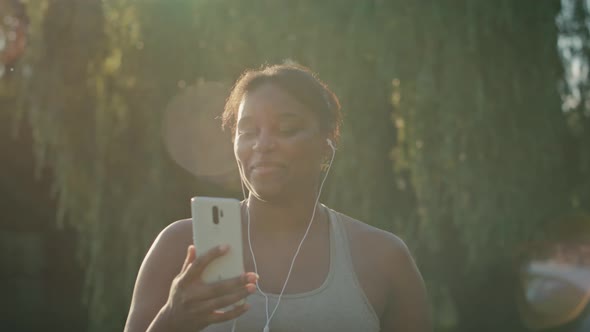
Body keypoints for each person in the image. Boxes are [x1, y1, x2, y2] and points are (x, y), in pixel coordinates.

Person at [124, 64, 432, 332]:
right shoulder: (178, 246)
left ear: (327, 143)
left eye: (286, 128)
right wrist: (172, 321)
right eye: (248, 131)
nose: (263, 144)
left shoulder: (383, 257)